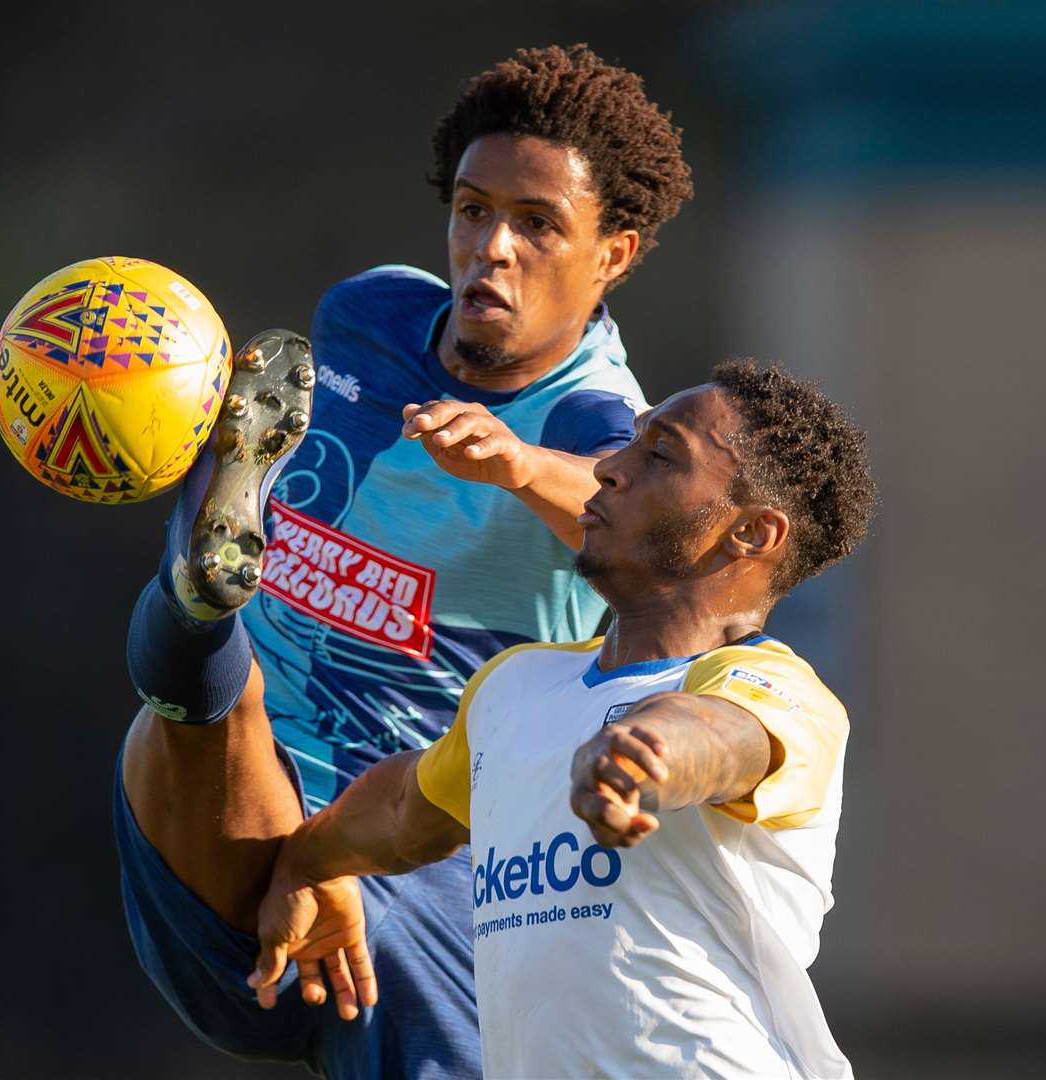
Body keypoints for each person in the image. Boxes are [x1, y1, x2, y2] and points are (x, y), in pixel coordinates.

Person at [116, 44, 694, 1076]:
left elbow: (645, 534)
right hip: (223, 824)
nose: (492, 248)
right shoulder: (366, 316)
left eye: (535, 224)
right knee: (217, 687)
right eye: (472, 211)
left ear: (612, 251)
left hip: (410, 855)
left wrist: (521, 467)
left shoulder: (603, 421)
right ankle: (198, 596)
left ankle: (194, 614)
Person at [250, 360, 878, 1079]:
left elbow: (713, 736)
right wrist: (308, 862)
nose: (610, 468)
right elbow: (401, 811)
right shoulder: (516, 684)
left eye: (660, 454)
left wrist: (640, 756)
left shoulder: (775, 690)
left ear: (754, 534)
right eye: (630, 442)